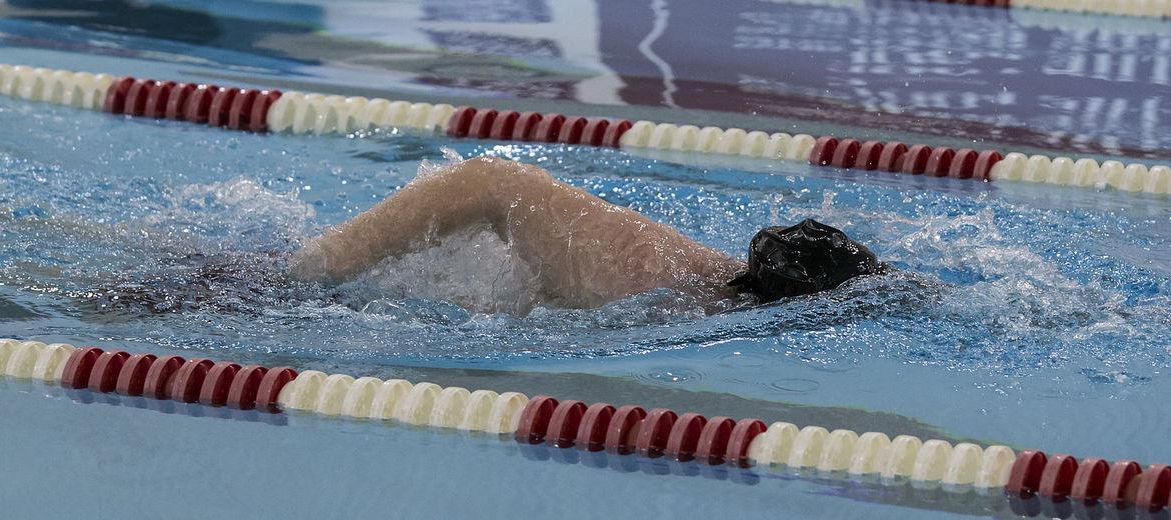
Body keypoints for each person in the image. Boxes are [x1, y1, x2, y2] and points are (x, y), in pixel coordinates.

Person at [288, 156, 888, 311]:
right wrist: (315, 270)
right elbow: (487, 183)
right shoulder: (654, 277)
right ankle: (301, 273)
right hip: (314, 281)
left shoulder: (666, 289)